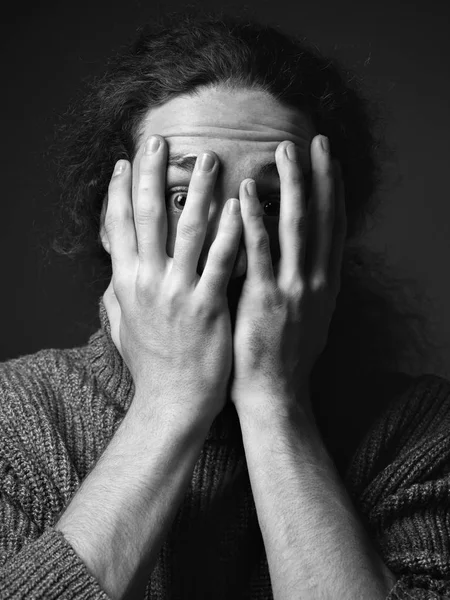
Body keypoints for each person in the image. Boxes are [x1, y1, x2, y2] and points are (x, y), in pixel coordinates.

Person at [1, 7, 449, 600]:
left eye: (269, 202)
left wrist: (274, 401)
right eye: (183, 195)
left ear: (329, 232)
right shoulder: (15, 420)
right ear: (112, 224)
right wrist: (168, 403)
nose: (227, 245)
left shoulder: (420, 433)